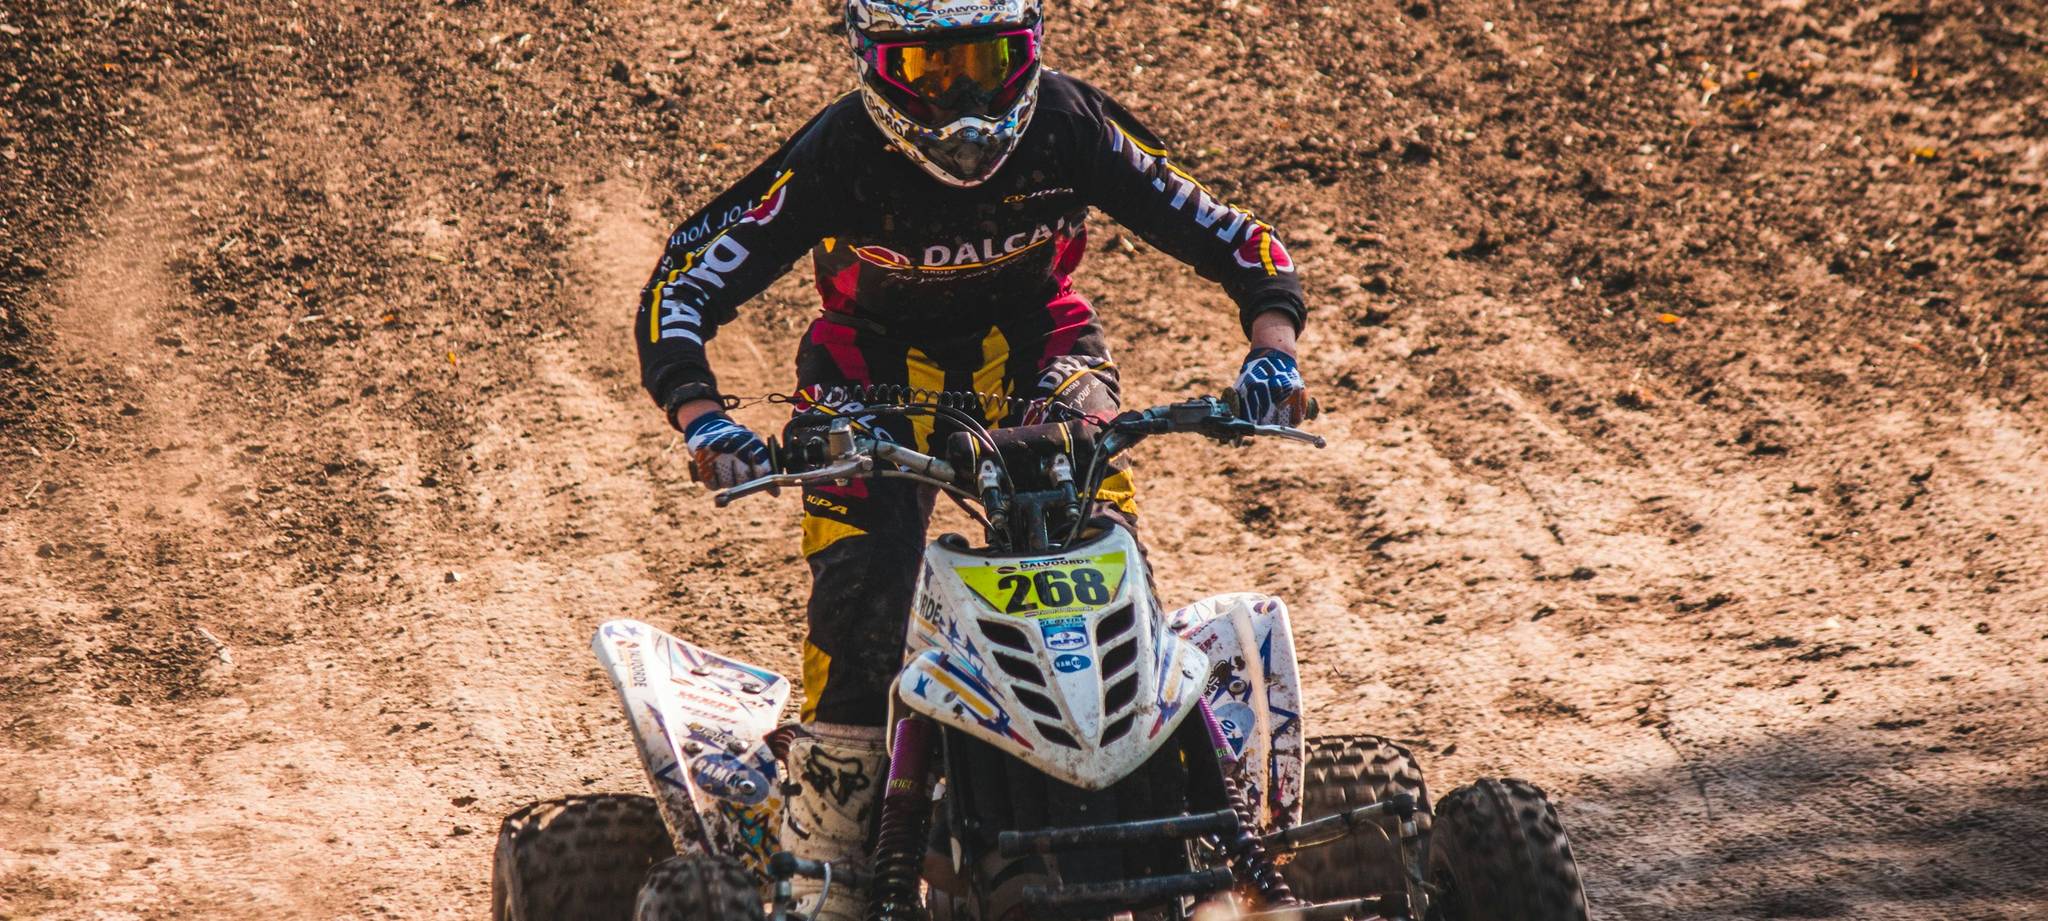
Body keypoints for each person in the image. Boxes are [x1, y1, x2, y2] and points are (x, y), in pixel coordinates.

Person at [633, 1, 1309, 916]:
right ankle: (830, 862)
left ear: (1028, 50)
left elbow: (1238, 236)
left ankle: (1175, 806)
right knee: (866, 592)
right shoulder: (840, 150)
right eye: (929, 68)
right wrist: (705, 419)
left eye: (986, 62)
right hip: (869, 370)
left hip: (1039, 353)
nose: (963, 101)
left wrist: (1274, 351)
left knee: (1100, 543)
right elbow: (682, 281)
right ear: (874, 63)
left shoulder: (1068, 122)